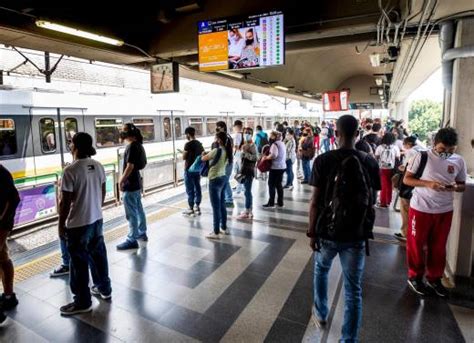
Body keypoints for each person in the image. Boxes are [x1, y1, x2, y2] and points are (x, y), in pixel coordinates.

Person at [307, 115, 380, 342]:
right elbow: (372, 200)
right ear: (357, 134)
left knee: (321, 270)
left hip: (327, 232)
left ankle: (320, 313)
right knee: (353, 291)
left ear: (336, 134)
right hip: (356, 235)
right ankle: (348, 339)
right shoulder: (369, 161)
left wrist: (312, 232)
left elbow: (315, 201)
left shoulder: (323, 160)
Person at [403, 128, 467, 297]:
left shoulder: (459, 161)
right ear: (434, 144)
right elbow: (407, 179)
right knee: (416, 244)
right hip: (421, 208)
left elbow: (462, 185)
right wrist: (427, 184)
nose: (446, 153)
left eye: (450, 150)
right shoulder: (422, 157)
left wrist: (455, 187)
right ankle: (415, 276)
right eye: (442, 149)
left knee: (438, 247)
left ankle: (434, 278)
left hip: (445, 210)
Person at [59, 132, 111, 315]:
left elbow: (64, 203)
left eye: (71, 143)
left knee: (78, 264)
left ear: (77, 147)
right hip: (96, 219)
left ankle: (82, 302)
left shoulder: (70, 170)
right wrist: (95, 208)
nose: (70, 146)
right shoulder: (98, 166)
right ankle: (104, 288)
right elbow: (103, 192)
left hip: (77, 224)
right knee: (98, 256)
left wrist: (60, 225)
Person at [116, 123, 148, 250]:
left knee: (131, 213)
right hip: (136, 182)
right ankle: (142, 232)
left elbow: (130, 166)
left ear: (127, 133)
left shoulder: (131, 147)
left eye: (123, 131)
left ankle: (132, 239)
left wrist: (121, 181)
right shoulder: (139, 145)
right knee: (139, 209)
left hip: (130, 183)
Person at [202, 132, 232, 239]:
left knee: (215, 207)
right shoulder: (228, 151)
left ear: (219, 140)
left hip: (214, 179)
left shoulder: (216, 150)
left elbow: (203, 159)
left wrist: (203, 154)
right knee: (222, 204)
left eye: (216, 138)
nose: (215, 140)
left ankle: (216, 231)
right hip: (223, 178)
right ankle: (223, 227)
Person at [0, 164, 20, 323]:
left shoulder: (2, 173)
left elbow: (14, 198)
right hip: (3, 224)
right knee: (2, 257)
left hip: (2, 225)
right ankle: (9, 296)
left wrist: (2, 219)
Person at [393, 136, 423, 241]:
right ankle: (414, 233)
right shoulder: (422, 150)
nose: (404, 147)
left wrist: (401, 168)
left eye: (404, 144)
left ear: (409, 144)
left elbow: (406, 167)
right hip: (419, 185)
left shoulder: (410, 152)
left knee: (405, 208)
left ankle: (406, 233)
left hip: (408, 185)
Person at [182, 127, 204, 216]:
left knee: (190, 189)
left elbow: (184, 157)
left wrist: (183, 153)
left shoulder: (188, 144)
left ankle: (191, 208)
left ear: (188, 134)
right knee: (197, 187)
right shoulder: (199, 143)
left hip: (188, 169)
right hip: (197, 169)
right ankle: (197, 206)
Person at [375, 132, 400, 208]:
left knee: (384, 185)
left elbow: (376, 156)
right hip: (392, 169)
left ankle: (383, 202)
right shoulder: (395, 147)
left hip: (382, 168)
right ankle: (388, 201)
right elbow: (397, 158)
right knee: (389, 185)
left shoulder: (380, 147)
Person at [237, 128, 258, 219]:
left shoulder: (252, 145)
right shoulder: (244, 144)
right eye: (245, 133)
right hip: (244, 170)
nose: (247, 134)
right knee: (246, 191)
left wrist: (245, 153)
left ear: (252, 134)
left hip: (249, 171)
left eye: (249, 133)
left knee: (247, 191)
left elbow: (255, 158)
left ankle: (248, 210)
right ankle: (248, 210)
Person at [262, 131, 286, 208]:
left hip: (275, 167)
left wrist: (266, 157)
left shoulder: (274, 144)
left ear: (275, 137)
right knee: (279, 185)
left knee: (271, 185)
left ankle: (271, 203)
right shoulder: (282, 143)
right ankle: (280, 202)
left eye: (271, 136)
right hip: (282, 166)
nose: (270, 138)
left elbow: (274, 155)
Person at [215, 121, 234, 207]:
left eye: (218, 127)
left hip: (226, 163)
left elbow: (220, 149)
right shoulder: (226, 137)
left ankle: (229, 200)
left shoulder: (226, 138)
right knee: (224, 181)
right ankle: (227, 199)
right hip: (227, 162)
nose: (217, 129)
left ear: (223, 127)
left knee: (225, 182)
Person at [233, 120, 245, 195]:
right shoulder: (244, 134)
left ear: (237, 126)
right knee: (241, 171)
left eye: (235, 126)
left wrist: (233, 147)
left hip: (238, 155)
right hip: (243, 155)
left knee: (237, 171)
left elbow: (236, 146)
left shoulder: (237, 135)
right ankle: (242, 187)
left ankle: (238, 189)